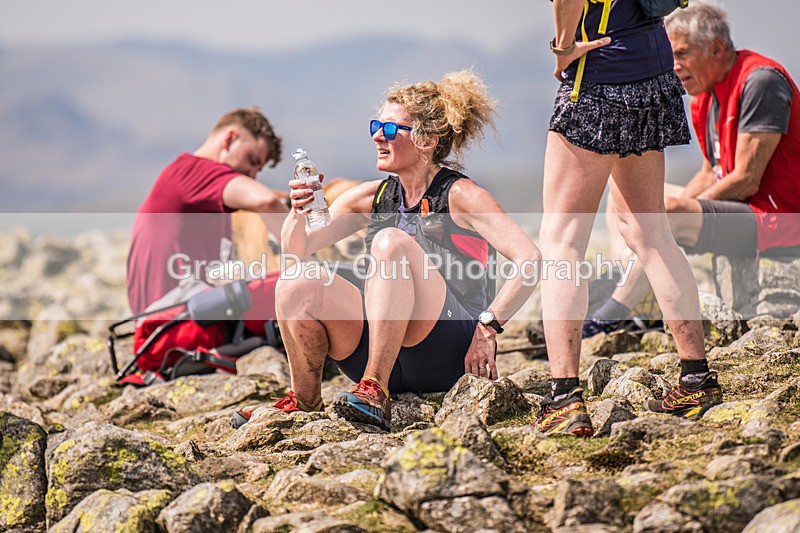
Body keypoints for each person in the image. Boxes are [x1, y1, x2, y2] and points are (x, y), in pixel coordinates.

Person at [261, 69, 539, 431]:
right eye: (376, 125)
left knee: (390, 243)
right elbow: (295, 252)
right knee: (296, 281)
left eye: (391, 130)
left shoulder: (461, 196)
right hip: (383, 347)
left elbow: (530, 261)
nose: (378, 135)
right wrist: (299, 211)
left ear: (426, 140)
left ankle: (375, 388)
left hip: (448, 351)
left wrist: (489, 328)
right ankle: (305, 399)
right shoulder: (372, 196)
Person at [536, 0, 722, 436]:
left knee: (562, 239)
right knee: (650, 231)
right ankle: (696, 378)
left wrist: (563, 46)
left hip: (597, 69)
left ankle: (564, 396)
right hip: (651, 65)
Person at [586, 1, 800, 336]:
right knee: (624, 197)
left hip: (781, 222)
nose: (674, 67)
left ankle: (615, 313)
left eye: (682, 54)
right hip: (741, 212)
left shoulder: (761, 81)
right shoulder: (705, 93)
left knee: (662, 214)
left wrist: (678, 212)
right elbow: (709, 171)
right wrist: (668, 210)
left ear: (716, 48)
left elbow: (746, 179)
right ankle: (635, 288)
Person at [126, 107, 289, 314]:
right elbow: (266, 201)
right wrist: (304, 253)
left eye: (258, 170)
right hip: (170, 317)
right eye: (252, 161)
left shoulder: (195, 186)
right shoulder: (192, 171)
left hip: (169, 313)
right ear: (229, 139)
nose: (252, 175)